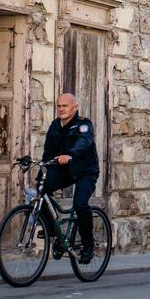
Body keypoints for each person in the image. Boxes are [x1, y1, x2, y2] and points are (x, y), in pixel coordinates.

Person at [42, 93, 99, 263]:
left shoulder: (84, 124)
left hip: (85, 171)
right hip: (65, 171)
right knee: (41, 188)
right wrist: (42, 169)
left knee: (80, 204)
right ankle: (53, 232)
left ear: (75, 108)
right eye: (59, 106)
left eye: (65, 106)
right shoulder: (55, 126)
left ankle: (88, 244)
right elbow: (48, 151)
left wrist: (70, 154)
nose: (61, 109)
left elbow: (84, 142)